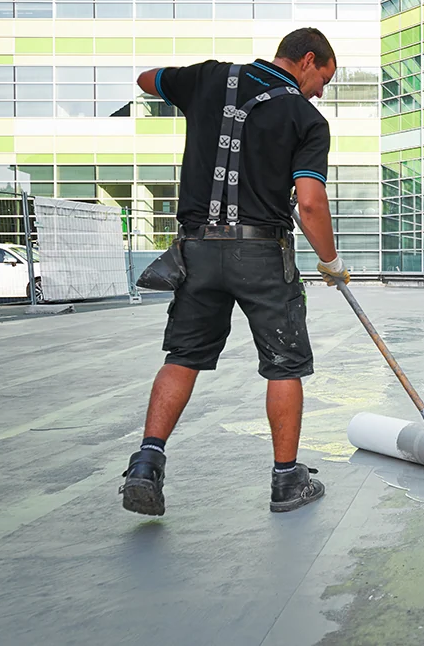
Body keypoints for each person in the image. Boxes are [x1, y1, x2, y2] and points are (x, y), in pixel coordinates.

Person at [119, 28, 351, 516]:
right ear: (307, 60)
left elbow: (145, 80)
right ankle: (287, 480)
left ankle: (146, 463)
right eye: (323, 78)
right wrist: (330, 262)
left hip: (197, 251)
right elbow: (309, 204)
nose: (321, 92)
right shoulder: (307, 119)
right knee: (285, 364)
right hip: (262, 255)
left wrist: (186, 92)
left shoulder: (207, 78)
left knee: (183, 356)